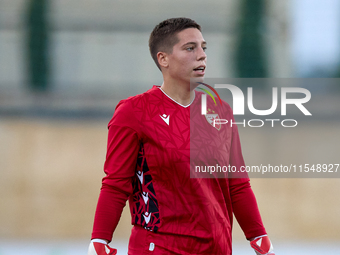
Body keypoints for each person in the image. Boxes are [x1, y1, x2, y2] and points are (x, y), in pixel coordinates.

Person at [87, 17, 275, 255]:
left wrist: (258, 235)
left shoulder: (220, 111)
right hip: (159, 247)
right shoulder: (133, 112)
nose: (202, 55)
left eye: (203, 48)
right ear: (163, 59)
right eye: (190, 48)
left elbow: (237, 184)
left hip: (217, 248)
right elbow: (116, 184)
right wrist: (100, 239)